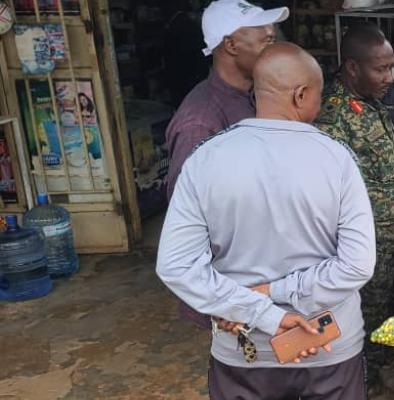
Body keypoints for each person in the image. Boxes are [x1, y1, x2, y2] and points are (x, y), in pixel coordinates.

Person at [156, 42, 375, 400]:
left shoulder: (205, 160)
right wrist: (277, 295)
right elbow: (356, 265)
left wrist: (255, 307)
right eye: (318, 96)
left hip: (244, 353)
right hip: (328, 345)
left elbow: (177, 266)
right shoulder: (337, 160)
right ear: (302, 95)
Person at [163, 0, 288, 329]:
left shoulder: (255, 98)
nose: (271, 39)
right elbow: (190, 221)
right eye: (263, 36)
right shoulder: (200, 123)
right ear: (230, 45)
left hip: (263, 278)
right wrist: (225, 301)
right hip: (235, 293)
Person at [314, 23, 394, 393]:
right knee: (363, 314)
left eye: (391, 67)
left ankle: (381, 362)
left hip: (387, 232)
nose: (390, 77)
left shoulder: (367, 103)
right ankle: (363, 384)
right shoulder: (334, 116)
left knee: (383, 304)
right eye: (381, 69)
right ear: (353, 68)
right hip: (363, 238)